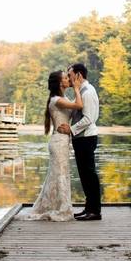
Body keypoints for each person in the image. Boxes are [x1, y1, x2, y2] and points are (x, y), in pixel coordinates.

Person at [19, 70, 84, 221]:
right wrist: (77, 88)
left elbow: (74, 108)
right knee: (59, 175)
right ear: (60, 83)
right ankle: (62, 209)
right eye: (66, 78)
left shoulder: (62, 98)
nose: (69, 79)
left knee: (59, 175)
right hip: (58, 142)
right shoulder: (56, 100)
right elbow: (79, 105)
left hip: (62, 141)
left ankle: (57, 206)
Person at [57, 63, 101, 220]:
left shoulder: (87, 92)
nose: (68, 78)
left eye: (70, 75)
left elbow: (89, 118)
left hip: (86, 138)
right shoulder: (82, 91)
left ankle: (95, 211)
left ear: (79, 75)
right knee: (84, 175)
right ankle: (89, 208)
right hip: (81, 138)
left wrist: (71, 129)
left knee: (89, 175)